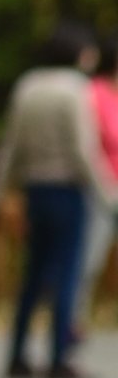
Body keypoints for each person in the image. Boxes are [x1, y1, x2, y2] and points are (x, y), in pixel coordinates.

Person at [0, 23, 118, 378]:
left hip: (35, 190)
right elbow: (82, 150)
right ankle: (59, 357)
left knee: (33, 274)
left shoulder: (28, 86)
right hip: (68, 191)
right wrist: (106, 194)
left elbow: (10, 146)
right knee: (68, 274)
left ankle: (17, 355)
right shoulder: (75, 91)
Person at [78, 34, 118, 329]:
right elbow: (87, 147)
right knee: (89, 261)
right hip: (102, 191)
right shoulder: (93, 93)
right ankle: (72, 322)